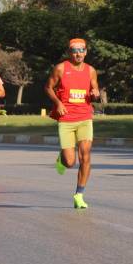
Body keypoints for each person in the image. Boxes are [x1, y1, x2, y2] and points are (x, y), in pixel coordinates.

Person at [46, 39, 100, 209]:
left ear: (86, 52)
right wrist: (58, 103)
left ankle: (79, 194)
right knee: (70, 162)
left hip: (85, 117)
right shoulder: (61, 68)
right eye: (75, 50)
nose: (78, 54)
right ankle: (61, 158)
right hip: (66, 119)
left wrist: (95, 94)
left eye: (81, 50)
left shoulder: (91, 70)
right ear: (69, 52)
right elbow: (48, 87)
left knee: (85, 156)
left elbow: (95, 91)